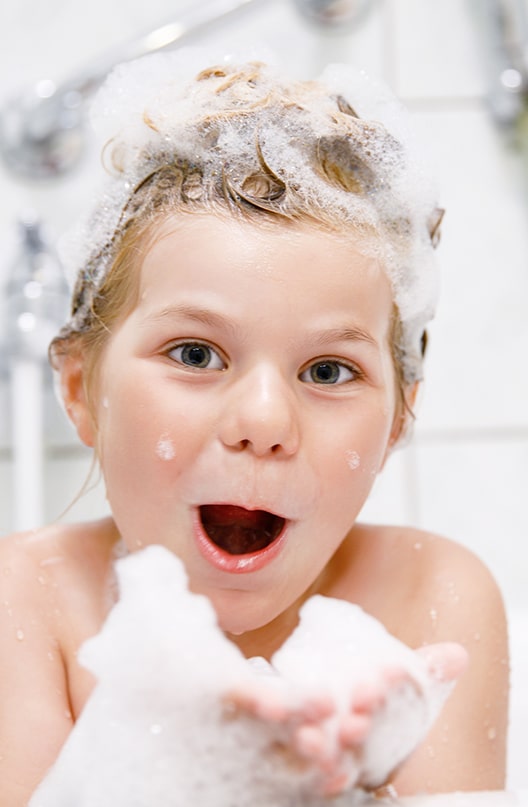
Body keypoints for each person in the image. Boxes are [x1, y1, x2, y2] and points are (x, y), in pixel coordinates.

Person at [0, 52, 508, 804]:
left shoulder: (434, 600)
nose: (265, 422)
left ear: (401, 414)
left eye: (328, 370)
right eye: (197, 353)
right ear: (79, 389)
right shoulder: (29, 603)